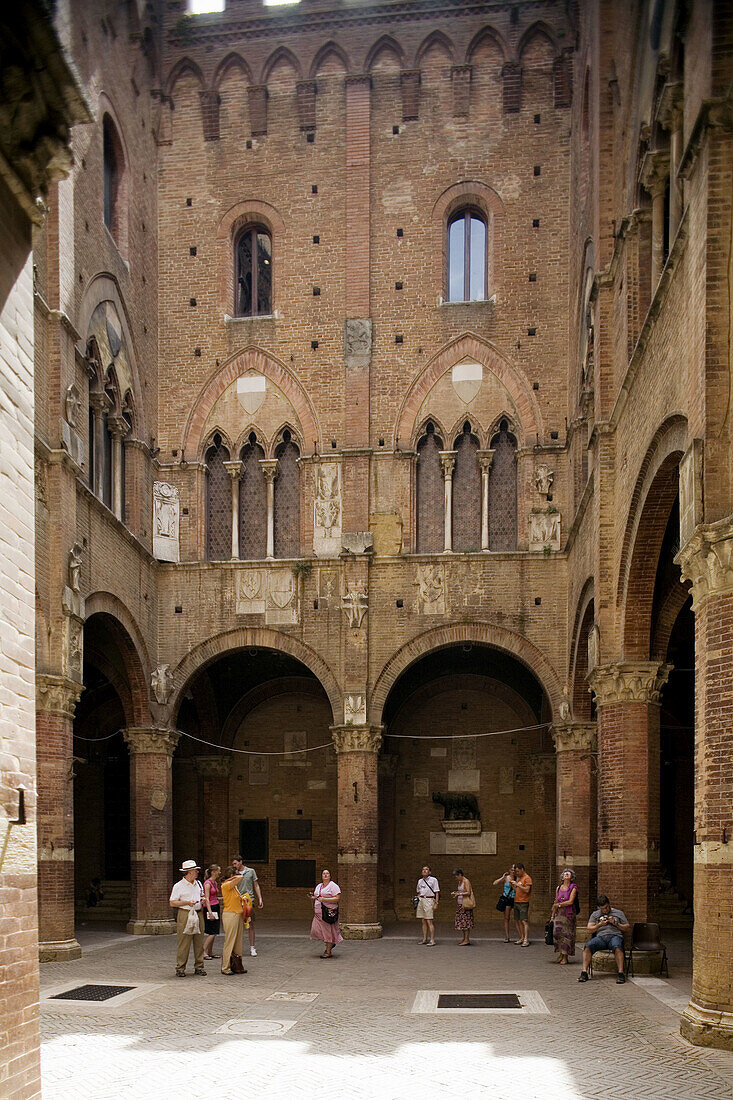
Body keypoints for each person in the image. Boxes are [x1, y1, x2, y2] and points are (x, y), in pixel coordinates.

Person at [578, 895, 631, 984]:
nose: (605, 910)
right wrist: (599, 924)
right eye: (603, 909)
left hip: (615, 936)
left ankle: (621, 973)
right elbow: (589, 929)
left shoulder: (618, 913)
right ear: (599, 908)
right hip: (601, 937)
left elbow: (627, 927)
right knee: (588, 946)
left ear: (609, 904)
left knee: (617, 946)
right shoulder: (595, 914)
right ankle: (584, 972)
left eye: (606, 907)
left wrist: (616, 923)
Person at [169, 859, 206, 978]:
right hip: (185, 913)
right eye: (195, 871)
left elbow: (201, 895)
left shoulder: (198, 884)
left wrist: (203, 900)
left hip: (198, 912)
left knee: (199, 941)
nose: (197, 872)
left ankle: (199, 966)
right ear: (189, 872)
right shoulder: (179, 886)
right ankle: (180, 967)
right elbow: (172, 902)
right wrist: (186, 902)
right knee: (184, 942)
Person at [232, 854, 264, 957]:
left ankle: (252, 947)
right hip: (237, 901)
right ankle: (237, 948)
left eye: (235, 863)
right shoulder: (233, 873)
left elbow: (256, 885)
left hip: (249, 900)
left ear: (240, 862)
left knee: (250, 924)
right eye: (233, 864)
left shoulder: (250, 871)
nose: (234, 865)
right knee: (237, 925)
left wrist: (260, 898)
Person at [220, 865, 248, 976]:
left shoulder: (234, 887)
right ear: (232, 875)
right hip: (230, 914)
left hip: (238, 914)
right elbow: (241, 877)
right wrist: (233, 877)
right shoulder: (226, 885)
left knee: (238, 941)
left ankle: (237, 965)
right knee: (230, 940)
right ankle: (225, 966)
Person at [309, 868, 342, 958]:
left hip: (327, 913)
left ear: (330, 876)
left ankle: (328, 951)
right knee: (316, 930)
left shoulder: (333, 886)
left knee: (327, 931)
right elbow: (317, 896)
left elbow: (337, 898)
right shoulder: (319, 886)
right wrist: (313, 898)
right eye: (323, 873)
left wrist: (324, 899)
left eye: (327, 873)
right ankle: (330, 943)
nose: (325, 875)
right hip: (318, 914)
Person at [551, 868, 578, 964]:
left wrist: (559, 905)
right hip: (559, 914)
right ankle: (560, 953)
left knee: (567, 934)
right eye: (565, 873)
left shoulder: (573, 887)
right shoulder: (558, 888)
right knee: (557, 933)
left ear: (571, 877)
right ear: (562, 876)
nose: (566, 874)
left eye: (569, 873)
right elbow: (556, 900)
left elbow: (570, 901)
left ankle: (565, 956)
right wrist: (552, 916)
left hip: (568, 914)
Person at [415, 864, 440, 946]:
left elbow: (436, 892)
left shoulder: (433, 880)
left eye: (426, 869)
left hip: (429, 899)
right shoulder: (420, 881)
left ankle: (432, 939)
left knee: (429, 920)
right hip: (421, 899)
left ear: (429, 872)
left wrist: (436, 903)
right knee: (423, 921)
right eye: (423, 869)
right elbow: (418, 891)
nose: (424, 871)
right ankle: (424, 938)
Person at [509, 862, 532, 946]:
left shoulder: (527, 878)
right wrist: (512, 885)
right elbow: (516, 890)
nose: (517, 873)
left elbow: (527, 890)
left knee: (524, 921)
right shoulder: (519, 878)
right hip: (517, 901)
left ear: (522, 869)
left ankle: (526, 939)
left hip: (524, 902)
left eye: (518, 871)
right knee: (517, 920)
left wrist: (518, 885)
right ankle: (521, 937)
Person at [493, 867, 519, 942]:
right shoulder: (506, 878)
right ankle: (507, 937)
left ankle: (521, 936)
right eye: (512, 870)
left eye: (514, 870)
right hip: (507, 899)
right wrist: (502, 877)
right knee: (507, 918)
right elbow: (494, 883)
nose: (513, 872)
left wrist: (513, 885)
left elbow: (517, 891)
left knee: (517, 918)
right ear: (509, 871)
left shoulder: (517, 879)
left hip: (514, 899)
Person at [202, 864, 221, 960]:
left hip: (216, 906)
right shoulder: (207, 883)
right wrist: (209, 912)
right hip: (210, 908)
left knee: (215, 931)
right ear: (213, 872)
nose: (219, 873)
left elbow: (214, 896)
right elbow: (207, 898)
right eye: (218, 871)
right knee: (212, 931)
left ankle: (210, 951)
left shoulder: (215, 883)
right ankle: (203, 951)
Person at [451, 868, 474, 946]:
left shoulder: (466, 881)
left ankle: (467, 939)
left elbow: (468, 892)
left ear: (460, 875)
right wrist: (456, 893)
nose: (456, 878)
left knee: (466, 922)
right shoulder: (460, 882)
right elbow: (462, 891)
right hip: (460, 903)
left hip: (465, 904)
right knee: (462, 922)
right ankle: (464, 938)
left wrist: (459, 894)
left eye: (456, 876)